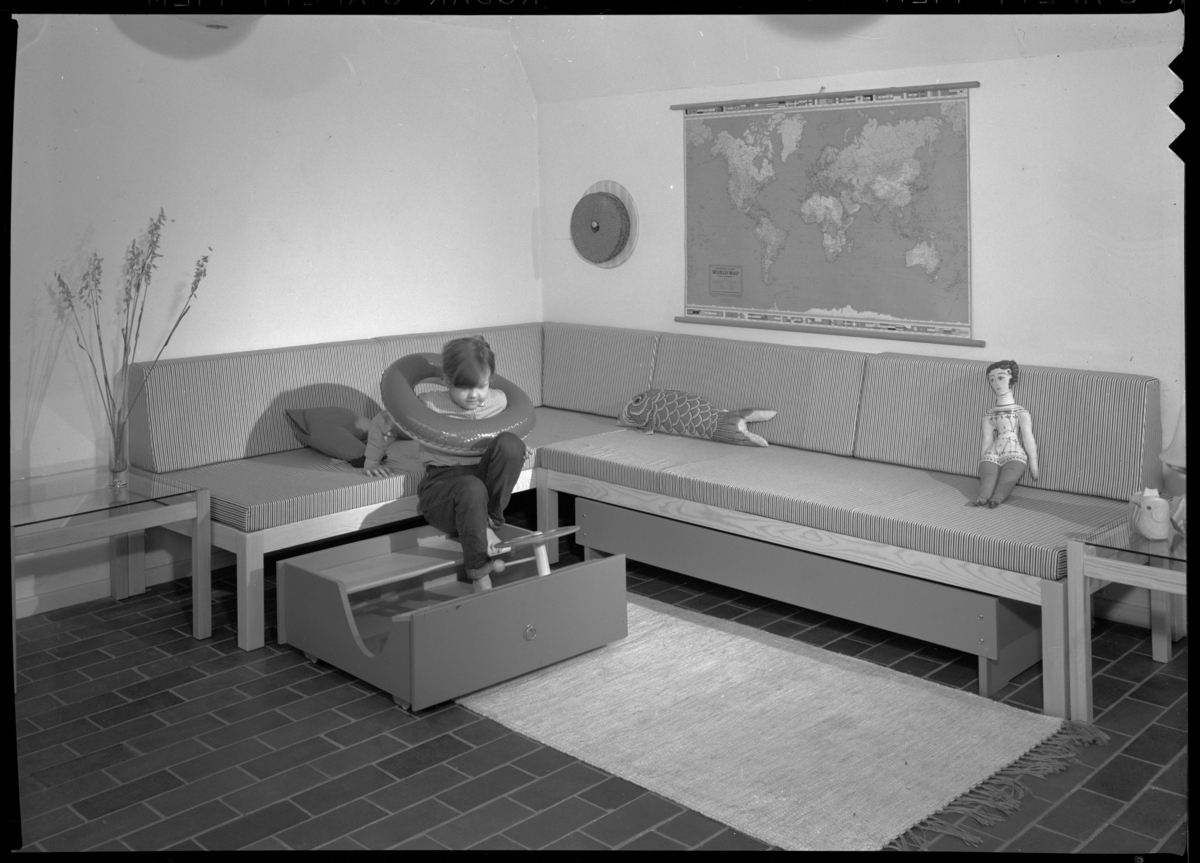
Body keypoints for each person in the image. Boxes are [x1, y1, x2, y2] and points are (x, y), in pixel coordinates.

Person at [362, 336, 526, 590]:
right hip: (443, 486)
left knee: (511, 445)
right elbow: (384, 423)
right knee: (471, 487)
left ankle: (490, 520)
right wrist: (372, 460)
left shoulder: (498, 401)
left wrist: (515, 449)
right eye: (464, 388)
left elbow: (510, 437)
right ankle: (480, 575)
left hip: (482, 480)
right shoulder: (429, 403)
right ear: (447, 381)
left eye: (481, 386)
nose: (474, 395)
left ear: (490, 380)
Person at [973, 359, 1039, 508]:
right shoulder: (989, 414)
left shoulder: (1021, 412)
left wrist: (1033, 462)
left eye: (1001, 378)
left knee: (1009, 477)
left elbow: (1028, 437)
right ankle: (982, 497)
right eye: (992, 379)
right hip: (993, 452)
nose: (996, 383)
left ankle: (997, 498)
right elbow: (987, 439)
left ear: (1012, 379)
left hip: (1015, 452)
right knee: (988, 476)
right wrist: (982, 462)